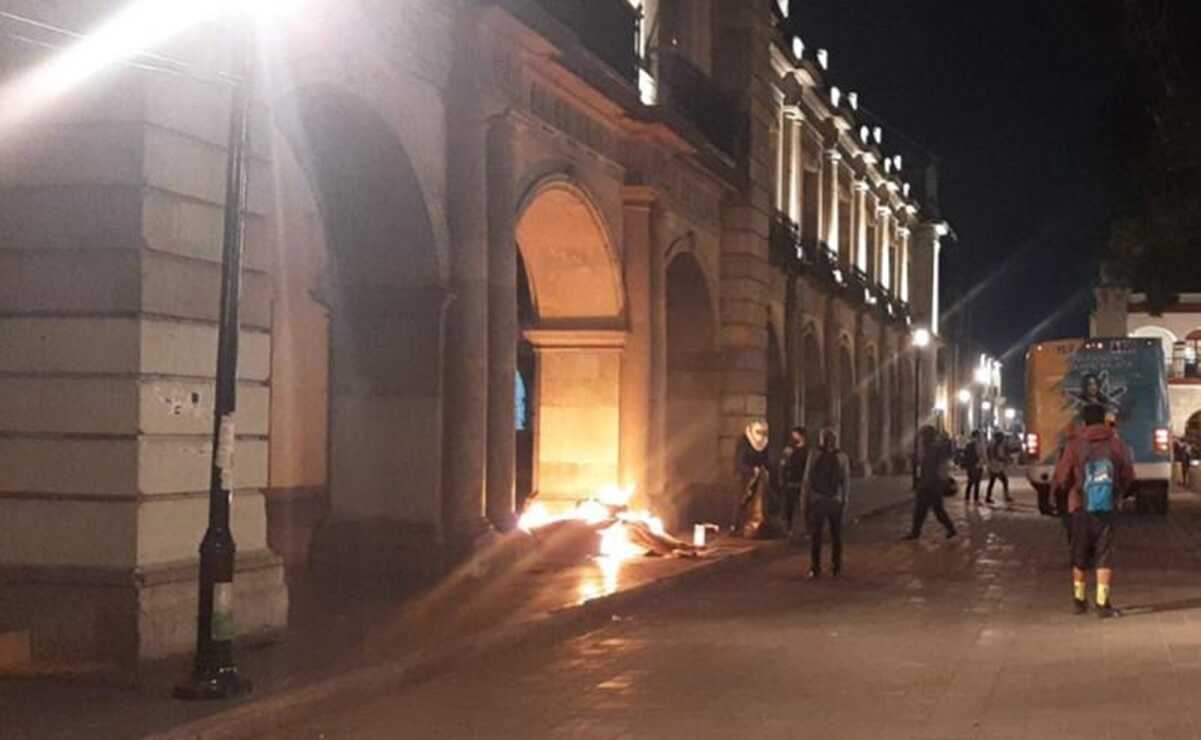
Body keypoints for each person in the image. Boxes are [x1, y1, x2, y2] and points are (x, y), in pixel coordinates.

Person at [1052, 403, 1135, 618]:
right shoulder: (1117, 444)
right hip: (1107, 507)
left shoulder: (1074, 444)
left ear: (1084, 422)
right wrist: (1118, 493)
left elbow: (1062, 476)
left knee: (1079, 554)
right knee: (1104, 554)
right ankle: (1102, 603)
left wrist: (1066, 491)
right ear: (1104, 420)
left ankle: (1079, 601)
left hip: (1079, 506)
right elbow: (1128, 475)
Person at [802, 428, 850, 578]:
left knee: (816, 536)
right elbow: (845, 481)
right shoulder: (842, 457)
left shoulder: (814, 454)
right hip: (835, 500)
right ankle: (836, 566)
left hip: (818, 500)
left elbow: (807, 479)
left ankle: (815, 567)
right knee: (836, 535)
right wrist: (845, 500)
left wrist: (804, 500)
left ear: (821, 440)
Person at [903, 425, 958, 540]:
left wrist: (942, 481)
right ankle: (917, 532)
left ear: (928, 436)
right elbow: (924, 464)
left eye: (923, 435)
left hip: (932, 484)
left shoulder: (936, 448)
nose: (922, 438)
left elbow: (941, 466)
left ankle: (949, 529)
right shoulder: (928, 448)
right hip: (927, 483)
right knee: (927, 509)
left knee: (929, 509)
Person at [733, 419, 771, 538]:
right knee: (742, 501)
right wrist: (750, 470)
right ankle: (737, 527)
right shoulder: (743, 441)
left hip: (759, 476)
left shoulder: (765, 442)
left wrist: (765, 468)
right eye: (758, 432)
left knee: (758, 502)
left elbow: (765, 459)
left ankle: (755, 527)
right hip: (745, 476)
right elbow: (739, 461)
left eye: (763, 432)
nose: (761, 435)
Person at [779, 426, 810, 534]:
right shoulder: (789, 450)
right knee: (789, 507)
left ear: (802, 436)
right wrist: (782, 479)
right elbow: (783, 465)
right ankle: (788, 528)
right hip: (790, 482)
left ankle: (805, 529)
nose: (793, 437)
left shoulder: (807, 451)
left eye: (795, 435)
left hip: (802, 482)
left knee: (804, 507)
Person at [985, 431, 1013, 503]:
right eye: (1002, 437)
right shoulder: (994, 445)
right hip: (995, 466)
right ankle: (1005, 496)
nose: (1003, 439)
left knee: (993, 482)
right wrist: (1003, 459)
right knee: (1003, 481)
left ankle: (988, 497)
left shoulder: (994, 444)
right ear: (998, 437)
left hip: (994, 466)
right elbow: (996, 456)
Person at [962, 430, 985, 504]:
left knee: (974, 482)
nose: (979, 437)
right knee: (972, 482)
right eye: (978, 435)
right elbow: (968, 456)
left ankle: (973, 499)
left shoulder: (978, 444)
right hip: (973, 465)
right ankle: (970, 498)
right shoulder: (970, 444)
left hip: (977, 465)